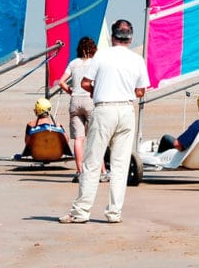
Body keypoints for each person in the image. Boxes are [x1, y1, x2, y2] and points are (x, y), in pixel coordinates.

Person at [59, 19, 147, 225]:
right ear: (131, 38)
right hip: (126, 109)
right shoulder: (137, 60)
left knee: (92, 161)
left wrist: (97, 90)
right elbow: (141, 90)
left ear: (112, 36)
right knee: (120, 164)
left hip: (105, 107)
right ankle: (114, 212)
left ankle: (81, 211)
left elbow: (85, 82)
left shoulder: (101, 56)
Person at [58, 36, 99, 181]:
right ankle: (99, 170)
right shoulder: (95, 63)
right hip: (89, 99)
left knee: (78, 138)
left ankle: (80, 171)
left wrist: (70, 91)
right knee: (95, 137)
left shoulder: (73, 63)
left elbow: (61, 82)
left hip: (75, 100)